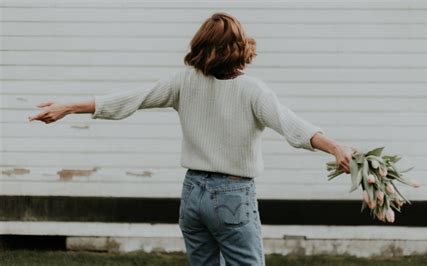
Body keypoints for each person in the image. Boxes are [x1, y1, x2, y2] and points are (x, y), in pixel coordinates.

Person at [29, 12, 356, 266]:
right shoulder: (252, 90)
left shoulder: (184, 81)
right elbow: (294, 127)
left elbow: (131, 99)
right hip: (232, 195)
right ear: (241, 47)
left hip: (193, 194)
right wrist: (336, 146)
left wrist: (70, 107)